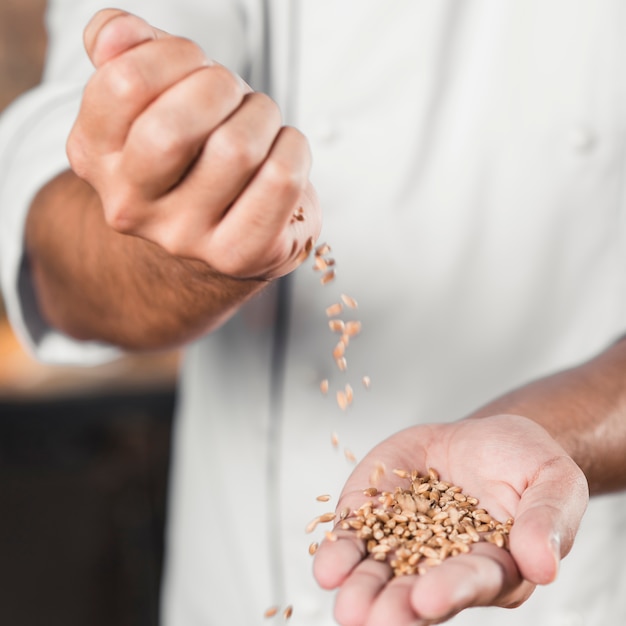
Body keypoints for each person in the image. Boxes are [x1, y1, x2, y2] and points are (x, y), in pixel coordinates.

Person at [1, 2, 625, 625]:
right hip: (247, 589)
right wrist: (196, 248)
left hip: (583, 582)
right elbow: (62, 258)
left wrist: (559, 436)